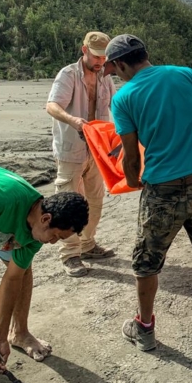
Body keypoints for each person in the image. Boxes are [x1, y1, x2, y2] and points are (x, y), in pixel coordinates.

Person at [103, 34, 192, 350]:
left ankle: (144, 329)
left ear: (121, 64)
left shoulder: (124, 98)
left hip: (161, 192)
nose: (116, 75)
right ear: (145, 54)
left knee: (146, 263)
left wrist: (133, 181)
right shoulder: (184, 74)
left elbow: (131, 155)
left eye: (114, 69)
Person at [0, 163, 88, 371]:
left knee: (21, 269)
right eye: (56, 236)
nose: (53, 242)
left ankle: (19, 334)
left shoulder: (36, 233)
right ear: (45, 219)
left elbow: (12, 279)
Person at [46, 31, 117, 277]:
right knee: (68, 202)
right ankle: (70, 255)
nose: (100, 62)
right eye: (96, 56)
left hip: (98, 151)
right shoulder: (67, 75)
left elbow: (117, 104)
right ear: (84, 50)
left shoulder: (105, 77)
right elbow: (52, 106)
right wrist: (73, 119)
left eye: (104, 58)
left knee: (95, 201)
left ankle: (87, 245)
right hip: (71, 150)